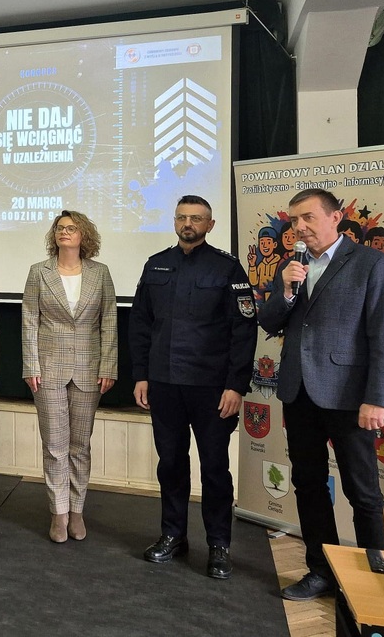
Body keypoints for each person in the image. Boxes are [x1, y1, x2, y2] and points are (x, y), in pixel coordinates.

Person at [258, 188, 384, 601]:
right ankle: (321, 571)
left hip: (350, 397)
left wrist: (377, 397)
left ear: (335, 217)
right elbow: (269, 322)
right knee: (308, 484)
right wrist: (286, 291)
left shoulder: (371, 263)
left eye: (308, 217)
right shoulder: (292, 265)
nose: (300, 227)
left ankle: (376, 580)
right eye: (294, 220)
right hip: (298, 392)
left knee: (363, 490)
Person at [129, 195, 256, 579]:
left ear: (210, 225)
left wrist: (236, 385)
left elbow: (243, 330)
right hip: (164, 383)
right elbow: (140, 324)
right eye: (182, 217)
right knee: (170, 464)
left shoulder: (227, 268)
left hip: (211, 388)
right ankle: (173, 535)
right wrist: (141, 375)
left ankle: (219, 545)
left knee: (214, 468)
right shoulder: (156, 264)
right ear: (174, 221)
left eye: (197, 218)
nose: (188, 224)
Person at [21, 210, 117, 543]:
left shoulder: (100, 273)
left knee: (80, 446)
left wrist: (109, 366)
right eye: (60, 228)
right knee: (54, 446)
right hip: (47, 369)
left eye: (72, 228)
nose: (64, 232)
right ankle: (58, 514)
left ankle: (77, 511)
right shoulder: (39, 272)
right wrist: (31, 365)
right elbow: (29, 321)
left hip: (90, 369)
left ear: (83, 235)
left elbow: (109, 322)